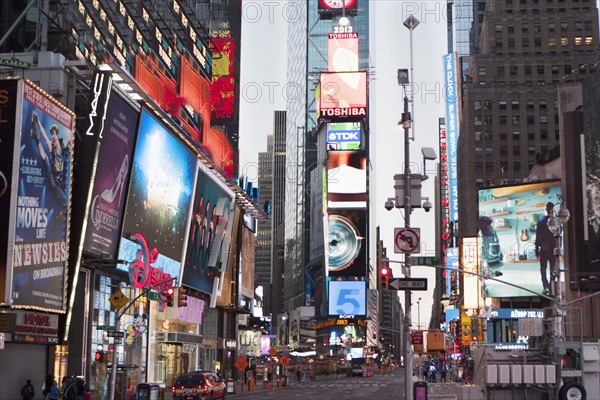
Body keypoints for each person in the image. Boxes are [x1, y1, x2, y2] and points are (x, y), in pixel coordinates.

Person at [535, 202, 556, 295]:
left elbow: (537, 238)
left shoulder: (540, 221)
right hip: (554, 247)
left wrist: (537, 252)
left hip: (544, 247)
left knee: (543, 269)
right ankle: (552, 288)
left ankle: (546, 287)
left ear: (545, 210)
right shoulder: (556, 221)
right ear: (553, 210)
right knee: (553, 269)